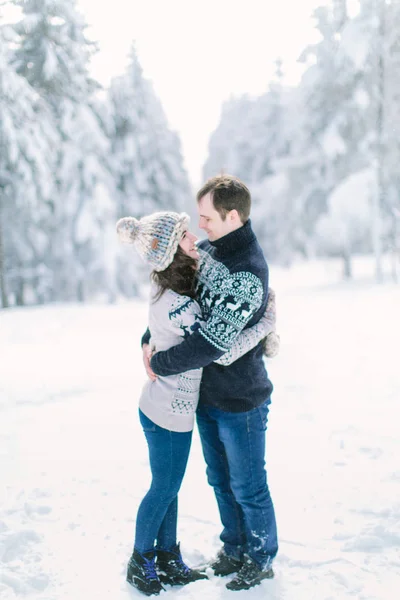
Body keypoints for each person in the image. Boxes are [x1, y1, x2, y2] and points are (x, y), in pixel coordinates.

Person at [117, 210, 278, 596]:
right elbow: (213, 346)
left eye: (200, 222)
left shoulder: (178, 286)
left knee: (173, 486)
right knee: (165, 487)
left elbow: (176, 324)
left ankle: (169, 557)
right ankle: (142, 560)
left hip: (173, 408)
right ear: (174, 253)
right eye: (187, 235)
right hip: (168, 411)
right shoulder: (180, 303)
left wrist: (151, 348)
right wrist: (265, 323)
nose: (197, 238)